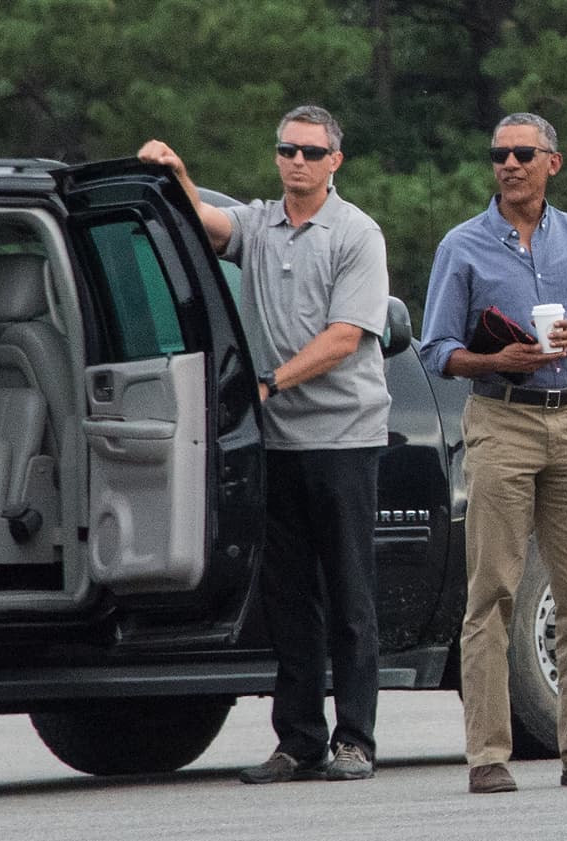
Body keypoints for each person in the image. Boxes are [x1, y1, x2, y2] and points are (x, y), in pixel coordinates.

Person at [138, 105, 390, 784]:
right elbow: (201, 222)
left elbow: (345, 337)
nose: (298, 161)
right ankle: (300, 739)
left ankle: (355, 739)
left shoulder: (357, 233)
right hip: (276, 442)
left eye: (312, 152)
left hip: (342, 437)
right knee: (289, 598)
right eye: (288, 150)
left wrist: (269, 383)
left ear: (335, 160)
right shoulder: (260, 223)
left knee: (348, 592)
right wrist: (178, 173)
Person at [419, 112, 567, 793]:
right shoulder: (463, 245)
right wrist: (496, 356)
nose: (509, 164)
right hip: (501, 418)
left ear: (553, 164)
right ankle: (487, 754)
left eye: (522, 153)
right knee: (493, 591)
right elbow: (437, 350)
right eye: (499, 154)